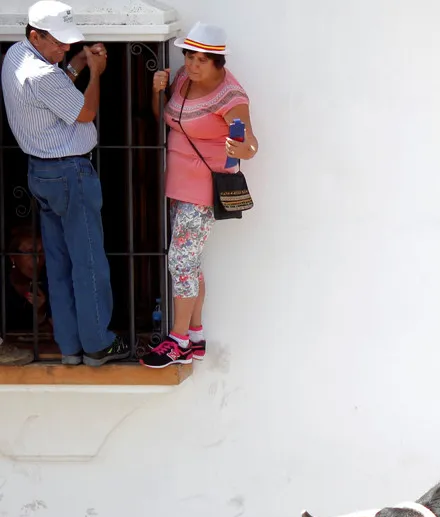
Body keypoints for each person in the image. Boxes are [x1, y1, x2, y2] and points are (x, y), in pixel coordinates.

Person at [0, 0, 129, 366]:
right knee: (88, 260)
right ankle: (99, 344)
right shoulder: (45, 75)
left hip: (42, 173)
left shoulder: (15, 57)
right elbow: (84, 112)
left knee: (57, 262)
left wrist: (76, 65)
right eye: (58, 43)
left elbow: (55, 93)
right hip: (70, 173)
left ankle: (70, 347)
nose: (65, 48)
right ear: (35, 35)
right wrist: (97, 72)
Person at [141, 21, 258, 368]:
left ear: (218, 61)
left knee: (180, 261)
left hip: (203, 191)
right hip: (178, 185)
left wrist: (240, 146)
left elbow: (251, 145)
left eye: (200, 59)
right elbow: (163, 118)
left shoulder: (231, 97)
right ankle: (194, 337)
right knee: (190, 264)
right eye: (189, 55)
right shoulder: (181, 79)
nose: (192, 64)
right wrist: (155, 91)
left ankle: (176, 342)